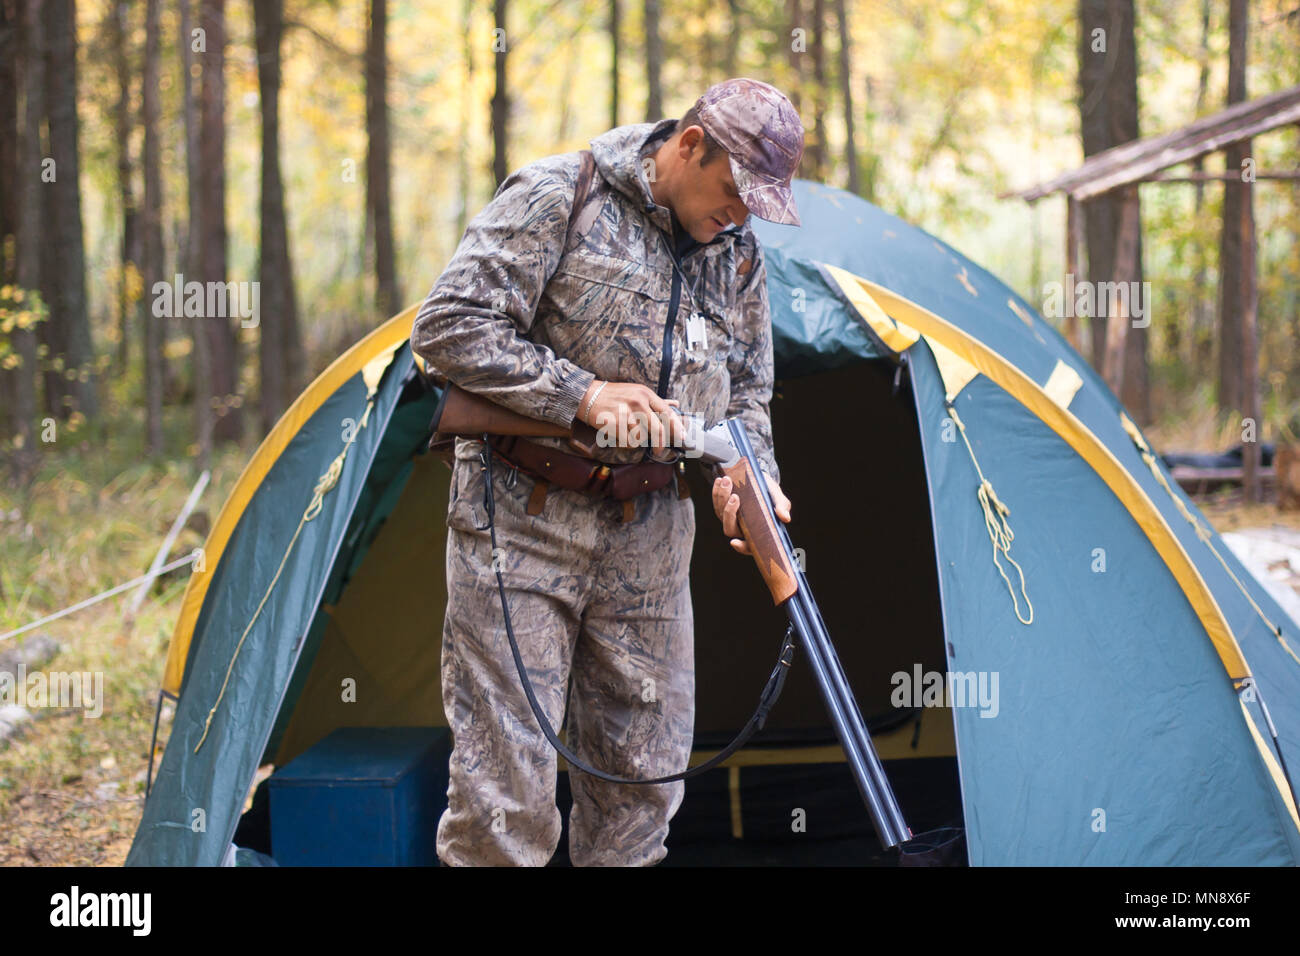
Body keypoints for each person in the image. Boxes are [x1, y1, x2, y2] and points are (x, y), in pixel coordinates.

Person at [411, 77, 804, 866]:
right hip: (521, 524)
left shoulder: (738, 256)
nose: (741, 214)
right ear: (689, 145)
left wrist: (748, 476)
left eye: (758, 203)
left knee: (642, 793)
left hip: (651, 536)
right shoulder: (562, 194)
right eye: (733, 190)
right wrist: (581, 394)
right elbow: (447, 329)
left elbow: (749, 391)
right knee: (505, 800)